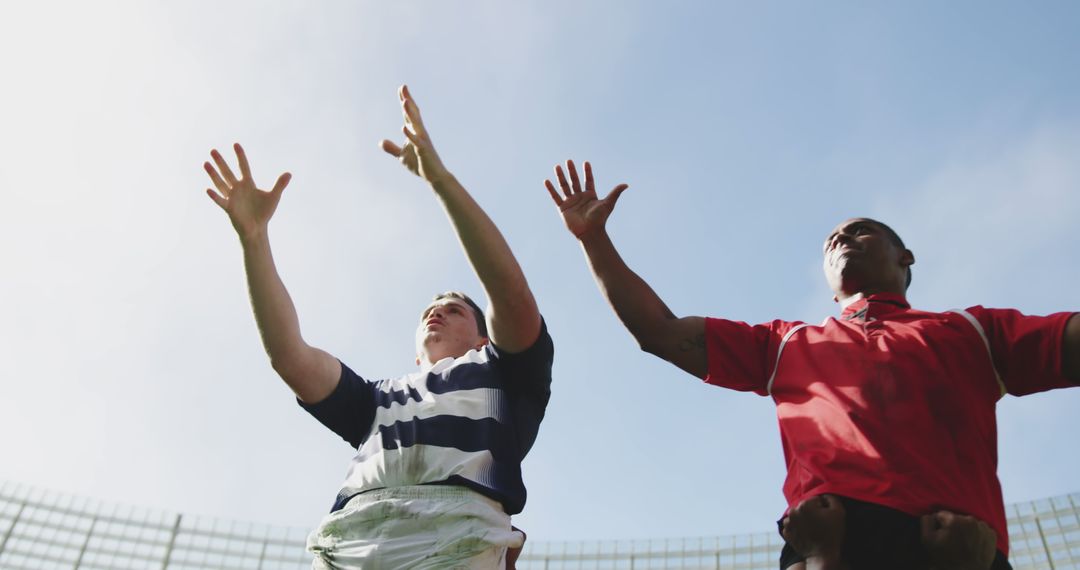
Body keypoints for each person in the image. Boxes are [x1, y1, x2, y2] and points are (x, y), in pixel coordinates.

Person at [543, 159, 1078, 570]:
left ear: (905, 257)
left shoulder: (971, 332)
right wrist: (594, 240)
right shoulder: (785, 344)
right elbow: (660, 333)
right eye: (830, 241)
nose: (842, 239)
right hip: (832, 538)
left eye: (860, 230)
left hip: (951, 540)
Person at [204, 85, 552, 569]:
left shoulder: (503, 375)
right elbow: (290, 357)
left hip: (456, 538)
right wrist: (254, 239)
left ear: (482, 336)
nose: (438, 311)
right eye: (430, 309)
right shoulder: (377, 400)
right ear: (413, 351)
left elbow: (511, 296)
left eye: (455, 308)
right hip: (352, 543)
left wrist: (441, 181)